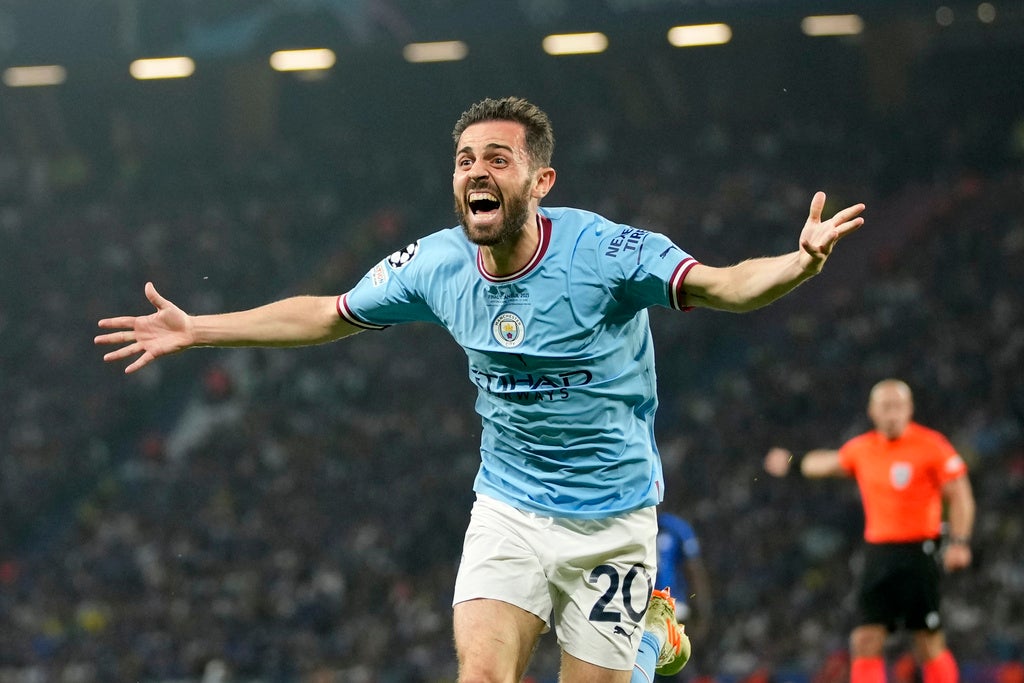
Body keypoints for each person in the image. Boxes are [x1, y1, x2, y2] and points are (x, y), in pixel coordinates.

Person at [97, 96, 865, 683]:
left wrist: (799, 263)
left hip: (612, 518)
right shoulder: (433, 264)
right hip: (510, 509)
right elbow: (328, 314)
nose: (476, 172)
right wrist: (200, 328)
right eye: (466, 159)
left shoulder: (608, 254)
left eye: (497, 159)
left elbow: (726, 286)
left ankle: (651, 636)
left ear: (541, 179)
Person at [764, 379, 975, 683]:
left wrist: (960, 542)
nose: (893, 413)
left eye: (899, 406)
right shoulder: (862, 449)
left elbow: (960, 496)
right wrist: (792, 462)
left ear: (910, 409)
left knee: (927, 642)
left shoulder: (932, 446)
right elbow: (826, 462)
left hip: (919, 551)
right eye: (886, 406)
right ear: (872, 411)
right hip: (879, 554)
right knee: (865, 640)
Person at [656, 512, 712, 641]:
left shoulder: (675, 527)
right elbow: (694, 571)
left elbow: (694, 570)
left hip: (661, 607)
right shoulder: (677, 527)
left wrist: (701, 609)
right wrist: (702, 611)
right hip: (671, 606)